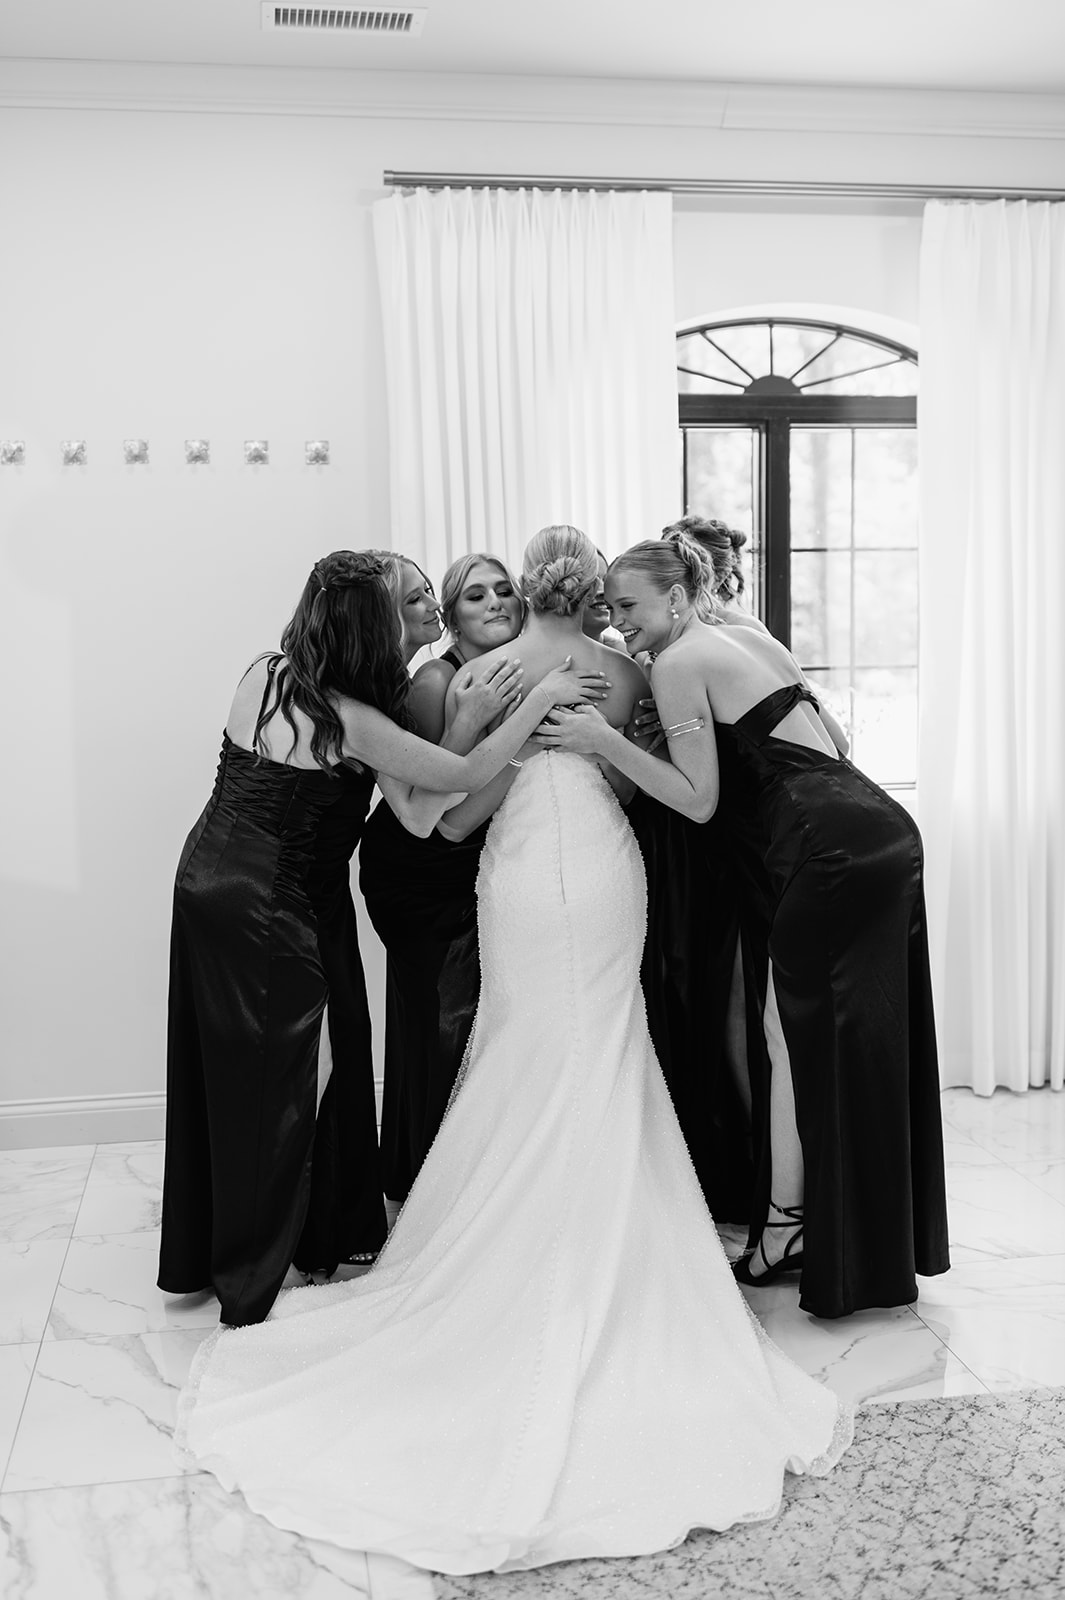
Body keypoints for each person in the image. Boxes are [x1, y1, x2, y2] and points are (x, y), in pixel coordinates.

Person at [176, 525, 851, 1573]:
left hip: (523, 874)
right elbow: (630, 793)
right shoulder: (628, 673)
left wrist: (521, 742)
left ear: (526, 588)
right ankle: (606, 1239)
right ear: (592, 593)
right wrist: (580, 744)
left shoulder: (466, 677)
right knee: (603, 1042)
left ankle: (470, 1235)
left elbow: (448, 821)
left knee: (526, 1045)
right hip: (604, 865)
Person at [158, 549, 599, 1328]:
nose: (430, 604)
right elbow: (450, 784)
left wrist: (465, 723)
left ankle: (321, 1231)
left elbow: (418, 809)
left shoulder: (278, 675)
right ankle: (249, 1269)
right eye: (414, 598)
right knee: (283, 1076)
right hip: (262, 896)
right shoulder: (350, 717)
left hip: (236, 879)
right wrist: (539, 703)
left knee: (298, 1054)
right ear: (372, 622)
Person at [538, 534, 949, 1320]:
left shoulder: (677, 663)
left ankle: (791, 1228)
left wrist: (602, 740)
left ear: (675, 596)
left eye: (628, 605)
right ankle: (829, 1229)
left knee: (790, 1040)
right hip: (878, 828)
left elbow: (695, 801)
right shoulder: (749, 636)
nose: (618, 623)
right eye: (610, 608)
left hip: (823, 849)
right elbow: (836, 743)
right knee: (828, 1036)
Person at [360, 552, 529, 1202]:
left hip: (470, 858)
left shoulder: (517, 667)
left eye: (503, 590)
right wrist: (505, 736)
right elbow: (431, 801)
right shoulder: (436, 680)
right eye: (474, 596)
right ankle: (434, 1182)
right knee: (444, 1015)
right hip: (418, 864)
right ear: (454, 618)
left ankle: (433, 1163)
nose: (494, 603)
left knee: (462, 1014)